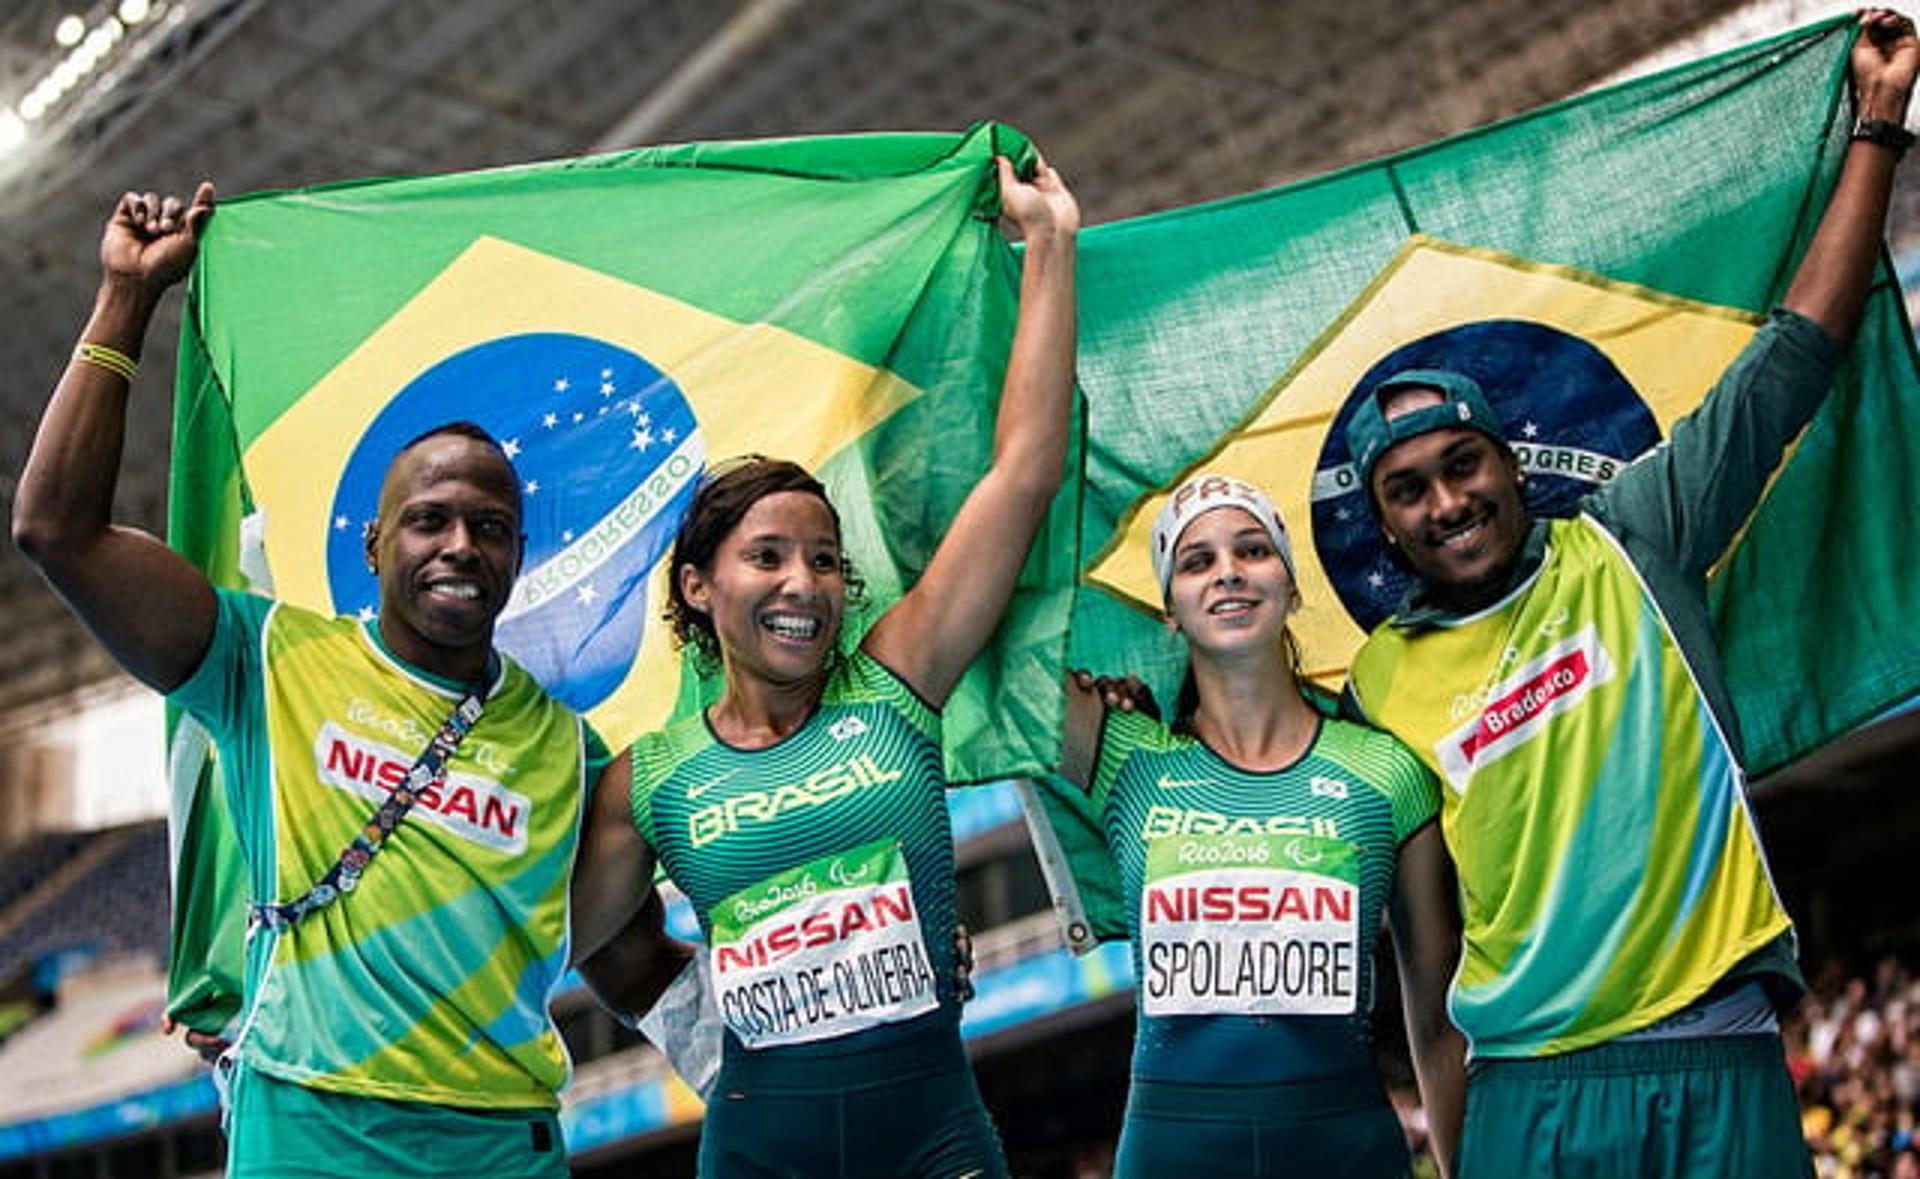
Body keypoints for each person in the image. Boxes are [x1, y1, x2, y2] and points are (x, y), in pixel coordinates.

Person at [1338, 12, 1918, 1177]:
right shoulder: (1373, 682)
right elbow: (1427, 953)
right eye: (1408, 489)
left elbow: (1793, 356)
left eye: (1463, 464)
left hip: (1719, 1059)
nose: (1446, 501)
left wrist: (1877, 125)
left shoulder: (1635, 537)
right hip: (1528, 1098)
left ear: (1514, 464)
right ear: (1383, 524)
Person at [11, 184, 682, 1176]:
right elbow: (54, 530)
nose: (461, 545)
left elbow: (628, 958)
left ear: (518, 554)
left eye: (490, 528)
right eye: (431, 519)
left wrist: (837, 1007)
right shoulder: (264, 658)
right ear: (374, 543)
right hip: (309, 1129)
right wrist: (125, 299)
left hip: (498, 1139)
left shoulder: (563, 746)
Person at [567, 152, 1078, 1178]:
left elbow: (1022, 476)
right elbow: (571, 945)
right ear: (699, 588)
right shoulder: (647, 778)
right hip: (759, 1151)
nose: (805, 582)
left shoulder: (896, 682)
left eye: (826, 559)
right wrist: (715, 1014)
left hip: (940, 1141)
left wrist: (1051, 244)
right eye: (768, 557)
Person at [1056, 472, 1465, 1179]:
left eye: (1252, 550)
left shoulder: (1386, 770)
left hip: (1348, 1152)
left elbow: (1436, 1023)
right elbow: (990, 621)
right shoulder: (1122, 751)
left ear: (1293, 586)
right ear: (1170, 613)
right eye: (1197, 561)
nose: (1228, 574)